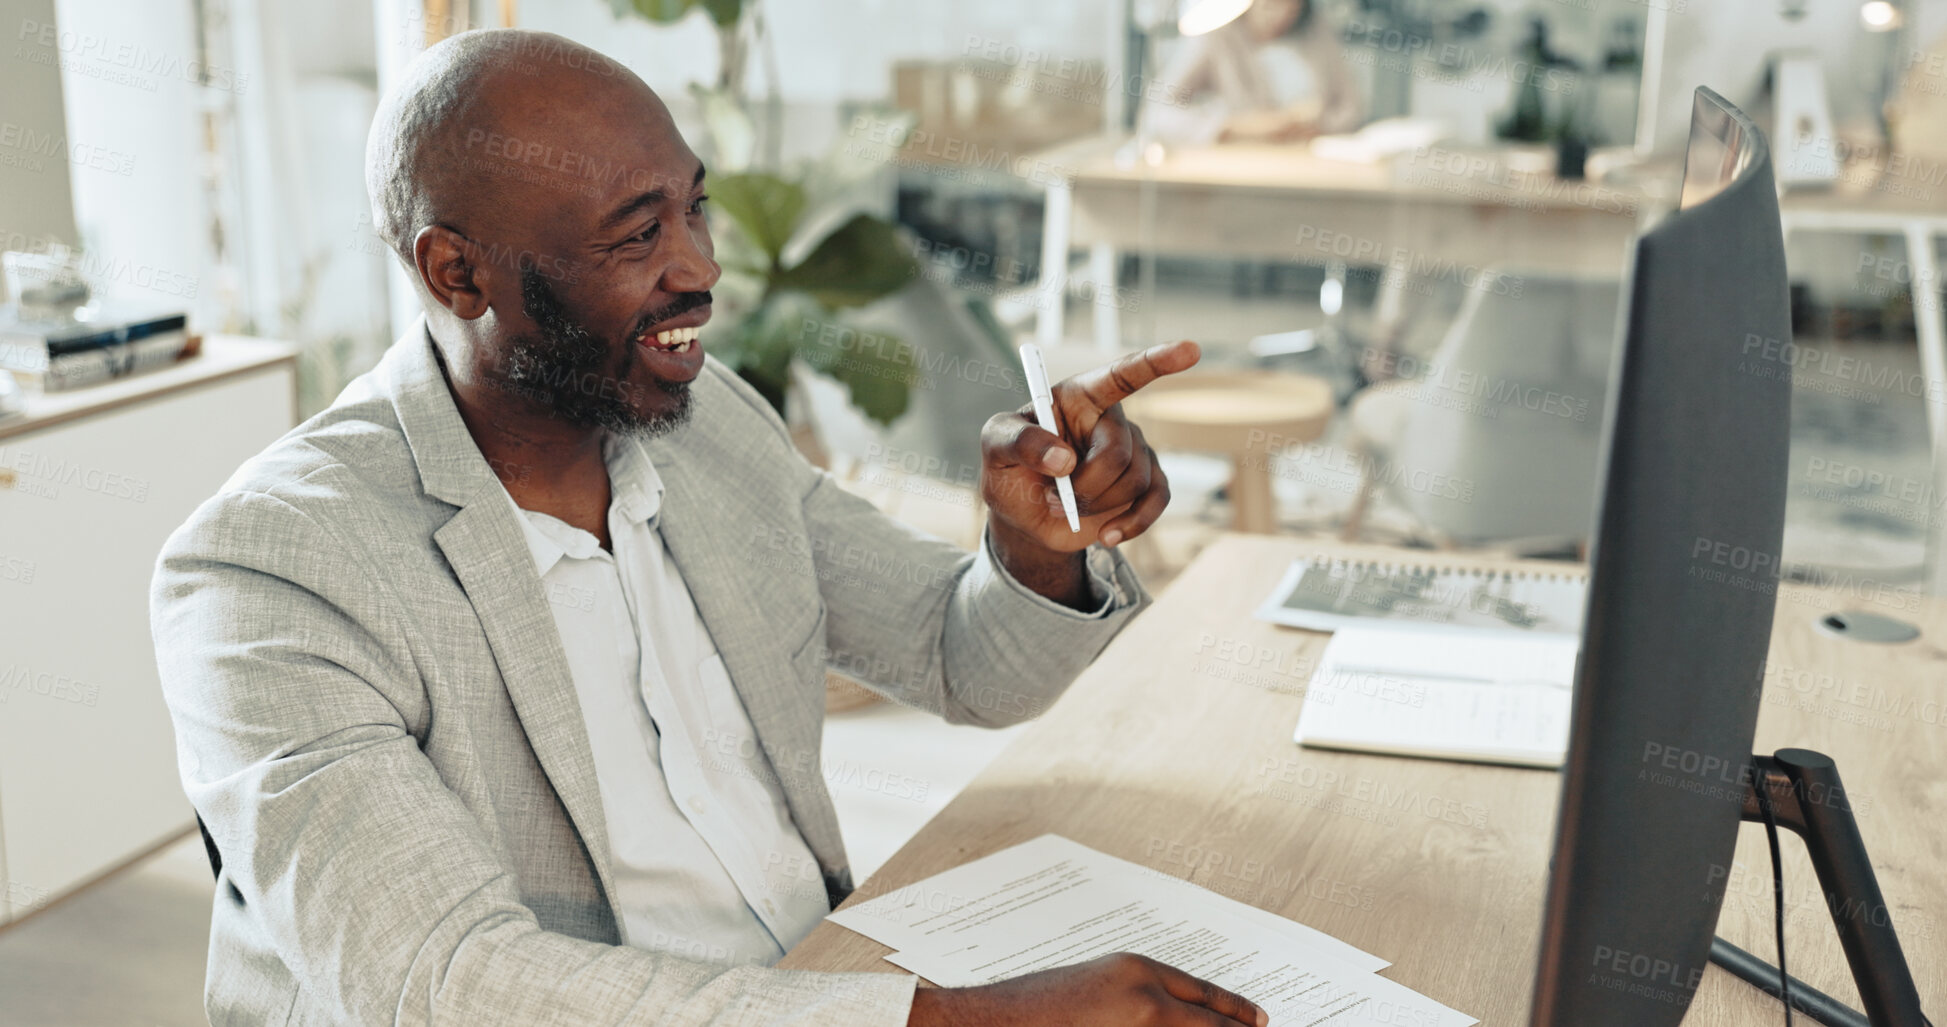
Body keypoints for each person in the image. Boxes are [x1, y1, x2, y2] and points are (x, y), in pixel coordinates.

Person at [150, 27, 1269, 1027]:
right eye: (638, 237)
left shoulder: (704, 423)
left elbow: (954, 656)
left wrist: (1036, 545)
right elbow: (441, 983)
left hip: (821, 976)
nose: (702, 269)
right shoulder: (272, 573)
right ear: (458, 272)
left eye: (694, 207)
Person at [1144, 0, 1364, 146]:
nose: (1281, 16)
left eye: (1292, 7)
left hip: (1312, 165)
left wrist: (1320, 128)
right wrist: (1232, 127)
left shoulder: (1316, 31)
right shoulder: (1216, 32)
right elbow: (1157, 113)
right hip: (1245, 167)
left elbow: (1351, 106)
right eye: (1270, 5)